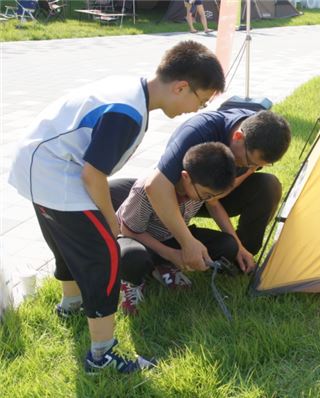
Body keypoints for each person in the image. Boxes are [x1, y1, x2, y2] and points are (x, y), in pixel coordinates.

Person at [8, 40, 225, 374]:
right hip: (56, 175)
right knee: (104, 259)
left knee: (67, 246)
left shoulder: (131, 90)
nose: (196, 110)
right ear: (181, 87)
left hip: (36, 166)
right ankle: (101, 357)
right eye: (201, 100)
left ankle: (70, 305)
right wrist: (110, 222)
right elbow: (93, 174)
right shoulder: (128, 113)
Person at [138, 109, 291, 276]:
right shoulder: (199, 132)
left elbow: (214, 201)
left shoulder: (263, 135)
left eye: (257, 165)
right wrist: (187, 242)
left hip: (209, 196)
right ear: (238, 137)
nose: (249, 168)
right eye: (249, 162)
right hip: (182, 194)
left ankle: (241, 258)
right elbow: (156, 186)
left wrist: (238, 246)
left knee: (269, 186)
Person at [115, 142, 238, 315]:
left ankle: (163, 266)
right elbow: (129, 231)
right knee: (131, 257)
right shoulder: (147, 189)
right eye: (206, 195)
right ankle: (133, 282)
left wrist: (238, 248)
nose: (209, 199)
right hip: (139, 239)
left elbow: (214, 206)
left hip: (173, 237)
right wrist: (171, 254)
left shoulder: (201, 185)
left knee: (227, 245)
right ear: (186, 177)